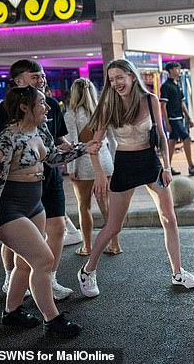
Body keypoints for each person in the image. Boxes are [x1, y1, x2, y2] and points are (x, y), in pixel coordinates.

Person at [77, 59, 194, 298]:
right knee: (115, 225)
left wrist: (167, 166)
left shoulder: (150, 100)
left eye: (119, 78)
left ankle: (178, 272)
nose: (116, 84)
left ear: (132, 76)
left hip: (150, 161)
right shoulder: (108, 106)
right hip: (124, 163)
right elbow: (94, 144)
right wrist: (100, 174)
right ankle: (88, 270)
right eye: (111, 80)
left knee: (169, 218)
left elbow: (163, 136)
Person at [0, 85, 100, 337]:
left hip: (34, 205)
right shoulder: (7, 138)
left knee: (25, 263)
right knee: (44, 260)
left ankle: (11, 313)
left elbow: (53, 158)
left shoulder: (40, 130)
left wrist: (84, 148)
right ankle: (52, 319)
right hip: (9, 210)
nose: (47, 108)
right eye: (41, 104)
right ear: (25, 107)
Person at [0, 59, 75, 301]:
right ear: (19, 81)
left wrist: (80, 149)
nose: (42, 79)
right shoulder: (4, 112)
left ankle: (49, 278)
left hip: (49, 177)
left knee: (57, 228)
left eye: (42, 75)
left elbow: (58, 143)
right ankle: (11, 277)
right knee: (18, 239)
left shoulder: (49, 105)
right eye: (35, 76)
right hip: (18, 186)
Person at [65, 78, 122, 256]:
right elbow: (112, 140)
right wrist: (113, 162)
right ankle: (115, 244)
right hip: (105, 160)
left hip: (83, 162)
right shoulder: (103, 111)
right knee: (107, 205)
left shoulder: (72, 114)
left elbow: (73, 143)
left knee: (84, 206)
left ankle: (87, 246)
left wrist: (71, 168)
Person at [160, 62, 194, 176]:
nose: (179, 70)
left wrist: (189, 117)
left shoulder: (177, 85)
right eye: (176, 68)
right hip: (173, 118)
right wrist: (167, 122)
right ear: (170, 70)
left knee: (172, 141)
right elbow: (163, 105)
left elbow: (181, 103)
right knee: (186, 138)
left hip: (180, 117)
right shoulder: (166, 86)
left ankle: (167, 168)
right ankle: (191, 166)